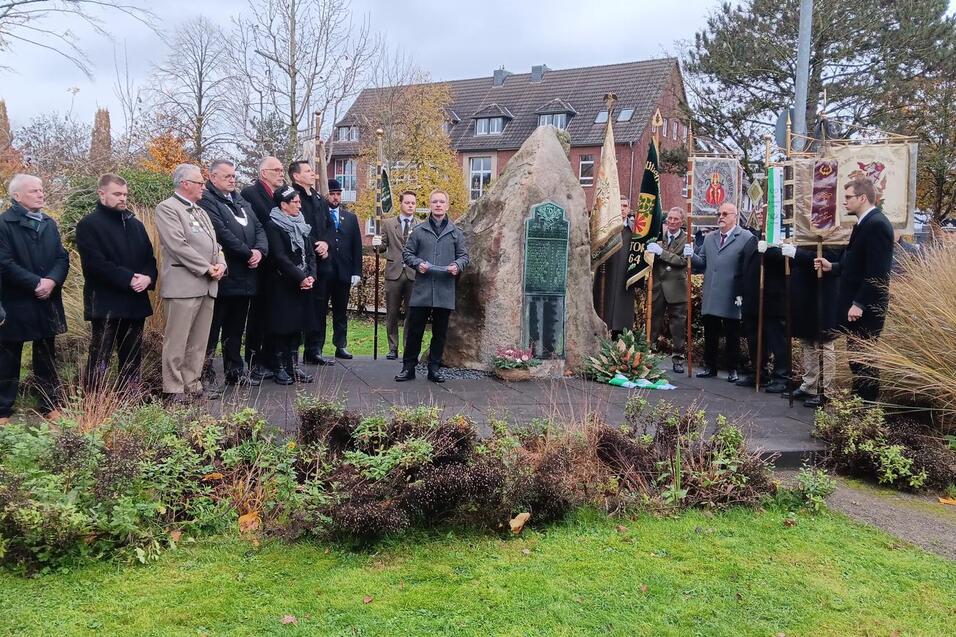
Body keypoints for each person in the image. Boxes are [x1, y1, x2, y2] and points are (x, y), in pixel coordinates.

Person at [814, 178, 894, 404]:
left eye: (848, 197)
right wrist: (833, 267)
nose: (844, 202)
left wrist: (859, 303)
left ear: (863, 198)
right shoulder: (864, 223)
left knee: (864, 360)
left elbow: (877, 272)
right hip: (858, 303)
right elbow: (858, 264)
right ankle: (860, 408)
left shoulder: (877, 224)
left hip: (867, 307)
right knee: (856, 359)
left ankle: (867, 409)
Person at [75, 173, 157, 392]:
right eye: (117, 194)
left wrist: (148, 277)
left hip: (135, 302)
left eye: (125, 194)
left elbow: (150, 258)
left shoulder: (135, 224)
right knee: (100, 356)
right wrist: (129, 278)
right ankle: (94, 403)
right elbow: (95, 264)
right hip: (105, 303)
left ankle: (129, 399)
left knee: (132, 357)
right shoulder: (88, 225)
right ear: (102, 194)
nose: (123, 198)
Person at [154, 163, 226, 402]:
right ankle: (173, 388)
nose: (203, 187)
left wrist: (221, 264)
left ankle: (192, 384)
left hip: (207, 284)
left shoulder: (200, 211)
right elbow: (177, 245)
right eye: (199, 183)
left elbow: (215, 245)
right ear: (185, 184)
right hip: (184, 285)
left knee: (198, 340)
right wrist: (206, 267)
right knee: (177, 340)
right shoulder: (168, 208)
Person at [0, 174, 69, 423]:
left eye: (41, 190)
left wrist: (51, 281)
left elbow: (62, 257)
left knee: (47, 355)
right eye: (34, 191)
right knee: (8, 355)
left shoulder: (49, 223)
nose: (41, 194)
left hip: (46, 298)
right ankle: (3, 409)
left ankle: (49, 403)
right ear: (16, 196)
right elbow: (4, 263)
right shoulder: (4, 224)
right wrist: (35, 282)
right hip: (16, 300)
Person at [199, 159, 268, 386]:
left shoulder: (240, 200)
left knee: (236, 328)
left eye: (234, 176)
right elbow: (222, 232)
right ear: (213, 177)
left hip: (246, 277)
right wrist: (247, 253)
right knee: (212, 328)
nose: (232, 180)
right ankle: (205, 373)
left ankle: (234, 371)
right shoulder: (207, 200)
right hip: (223, 275)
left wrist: (259, 250)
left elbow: (258, 227)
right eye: (227, 176)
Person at [395, 190, 468, 383]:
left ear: (447, 205)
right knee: (415, 331)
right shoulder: (419, 231)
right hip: (422, 289)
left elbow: (464, 256)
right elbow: (407, 254)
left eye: (441, 202)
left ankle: (434, 369)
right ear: (430, 205)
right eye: (434, 201)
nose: (438, 205)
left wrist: (457, 266)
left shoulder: (455, 232)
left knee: (440, 333)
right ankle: (408, 368)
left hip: (445, 290)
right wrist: (418, 263)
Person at [684, 202, 755, 382]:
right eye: (719, 214)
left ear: (734, 216)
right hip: (712, 291)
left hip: (732, 292)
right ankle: (710, 366)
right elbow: (702, 262)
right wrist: (691, 254)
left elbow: (749, 266)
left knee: (732, 333)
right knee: (710, 331)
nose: (721, 217)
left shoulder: (745, 237)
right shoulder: (710, 238)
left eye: (725, 214)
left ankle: (733, 368)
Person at [263, 186, 316, 385]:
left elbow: (310, 253)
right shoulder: (273, 225)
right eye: (295, 202)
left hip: (302, 284)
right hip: (282, 284)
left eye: (299, 202)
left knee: (297, 327)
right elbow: (279, 257)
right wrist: (300, 277)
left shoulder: (302, 224)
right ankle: (279, 367)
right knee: (282, 327)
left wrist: (311, 276)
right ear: (283, 205)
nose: (299, 205)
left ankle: (293, 366)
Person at [241, 156, 285, 378]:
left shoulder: (280, 195)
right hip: (261, 263)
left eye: (282, 169)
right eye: (276, 169)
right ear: (263, 173)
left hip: (278, 266)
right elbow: (258, 226)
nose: (281, 173)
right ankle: (254, 360)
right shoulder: (250, 194)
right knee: (258, 315)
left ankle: (271, 358)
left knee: (273, 314)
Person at [737, 207, 789, 393]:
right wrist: (740, 291)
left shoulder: (783, 237)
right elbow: (743, 264)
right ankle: (759, 371)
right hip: (753, 298)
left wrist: (770, 249)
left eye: (765, 214)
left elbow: (786, 262)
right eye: (759, 213)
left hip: (773, 299)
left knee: (778, 340)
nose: (760, 216)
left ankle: (782, 376)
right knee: (754, 338)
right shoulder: (754, 237)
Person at [288, 160, 334, 366]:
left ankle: (314, 350)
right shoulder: (291, 197)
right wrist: (314, 245)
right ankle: (291, 353)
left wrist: (326, 243)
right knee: (299, 308)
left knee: (319, 307)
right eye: (307, 171)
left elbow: (329, 225)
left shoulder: (318, 198)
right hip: (302, 262)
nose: (312, 173)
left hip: (322, 262)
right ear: (296, 176)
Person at [788, 244, 843, 408]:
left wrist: (798, 253)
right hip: (806, 288)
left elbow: (832, 255)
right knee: (807, 339)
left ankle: (828, 391)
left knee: (825, 342)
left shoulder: (836, 232)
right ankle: (809, 385)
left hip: (824, 290)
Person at [315, 178, 362, 360]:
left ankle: (340, 345)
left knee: (341, 311)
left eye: (338, 194)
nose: (335, 198)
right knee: (319, 310)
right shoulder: (320, 216)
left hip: (343, 272)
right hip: (324, 271)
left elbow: (356, 246)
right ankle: (317, 346)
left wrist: (357, 271)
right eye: (332, 194)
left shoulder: (350, 218)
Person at [372, 190, 419, 360]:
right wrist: (377, 244)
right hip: (394, 273)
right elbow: (382, 247)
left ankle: (408, 347)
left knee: (411, 313)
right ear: (401, 203)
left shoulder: (420, 225)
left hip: (413, 274)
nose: (410, 206)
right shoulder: (388, 224)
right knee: (392, 312)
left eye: (413, 203)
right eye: (407, 202)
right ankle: (393, 347)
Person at [645, 206, 689, 373]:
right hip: (657, 287)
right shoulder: (657, 237)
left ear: (681, 222)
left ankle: (678, 358)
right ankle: (649, 355)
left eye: (675, 219)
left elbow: (682, 261)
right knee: (653, 322)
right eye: (669, 218)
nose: (671, 222)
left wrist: (661, 253)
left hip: (676, 288)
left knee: (677, 325)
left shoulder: (687, 239)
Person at [595, 196, 635, 339]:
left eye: (625, 206)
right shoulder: (606, 229)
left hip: (626, 276)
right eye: (619, 206)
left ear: (629, 209)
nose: (622, 209)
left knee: (622, 313)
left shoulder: (634, 230)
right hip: (606, 274)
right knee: (604, 308)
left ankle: (621, 340)